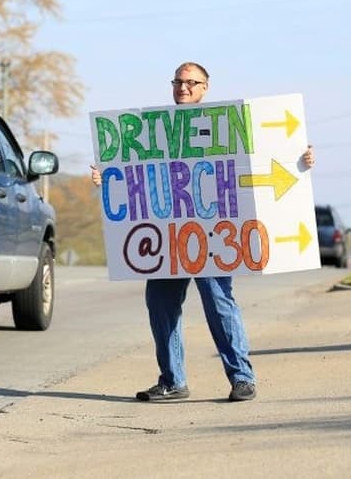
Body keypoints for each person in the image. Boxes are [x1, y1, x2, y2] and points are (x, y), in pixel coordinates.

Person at [91, 61, 316, 402]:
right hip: (170, 239)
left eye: (191, 82)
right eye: (178, 82)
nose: (184, 88)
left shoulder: (224, 125)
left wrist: (301, 160)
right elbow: (137, 180)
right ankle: (172, 380)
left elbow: (266, 155)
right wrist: (105, 179)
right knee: (160, 305)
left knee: (219, 303)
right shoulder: (158, 131)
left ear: (205, 87)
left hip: (212, 236)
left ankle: (242, 378)